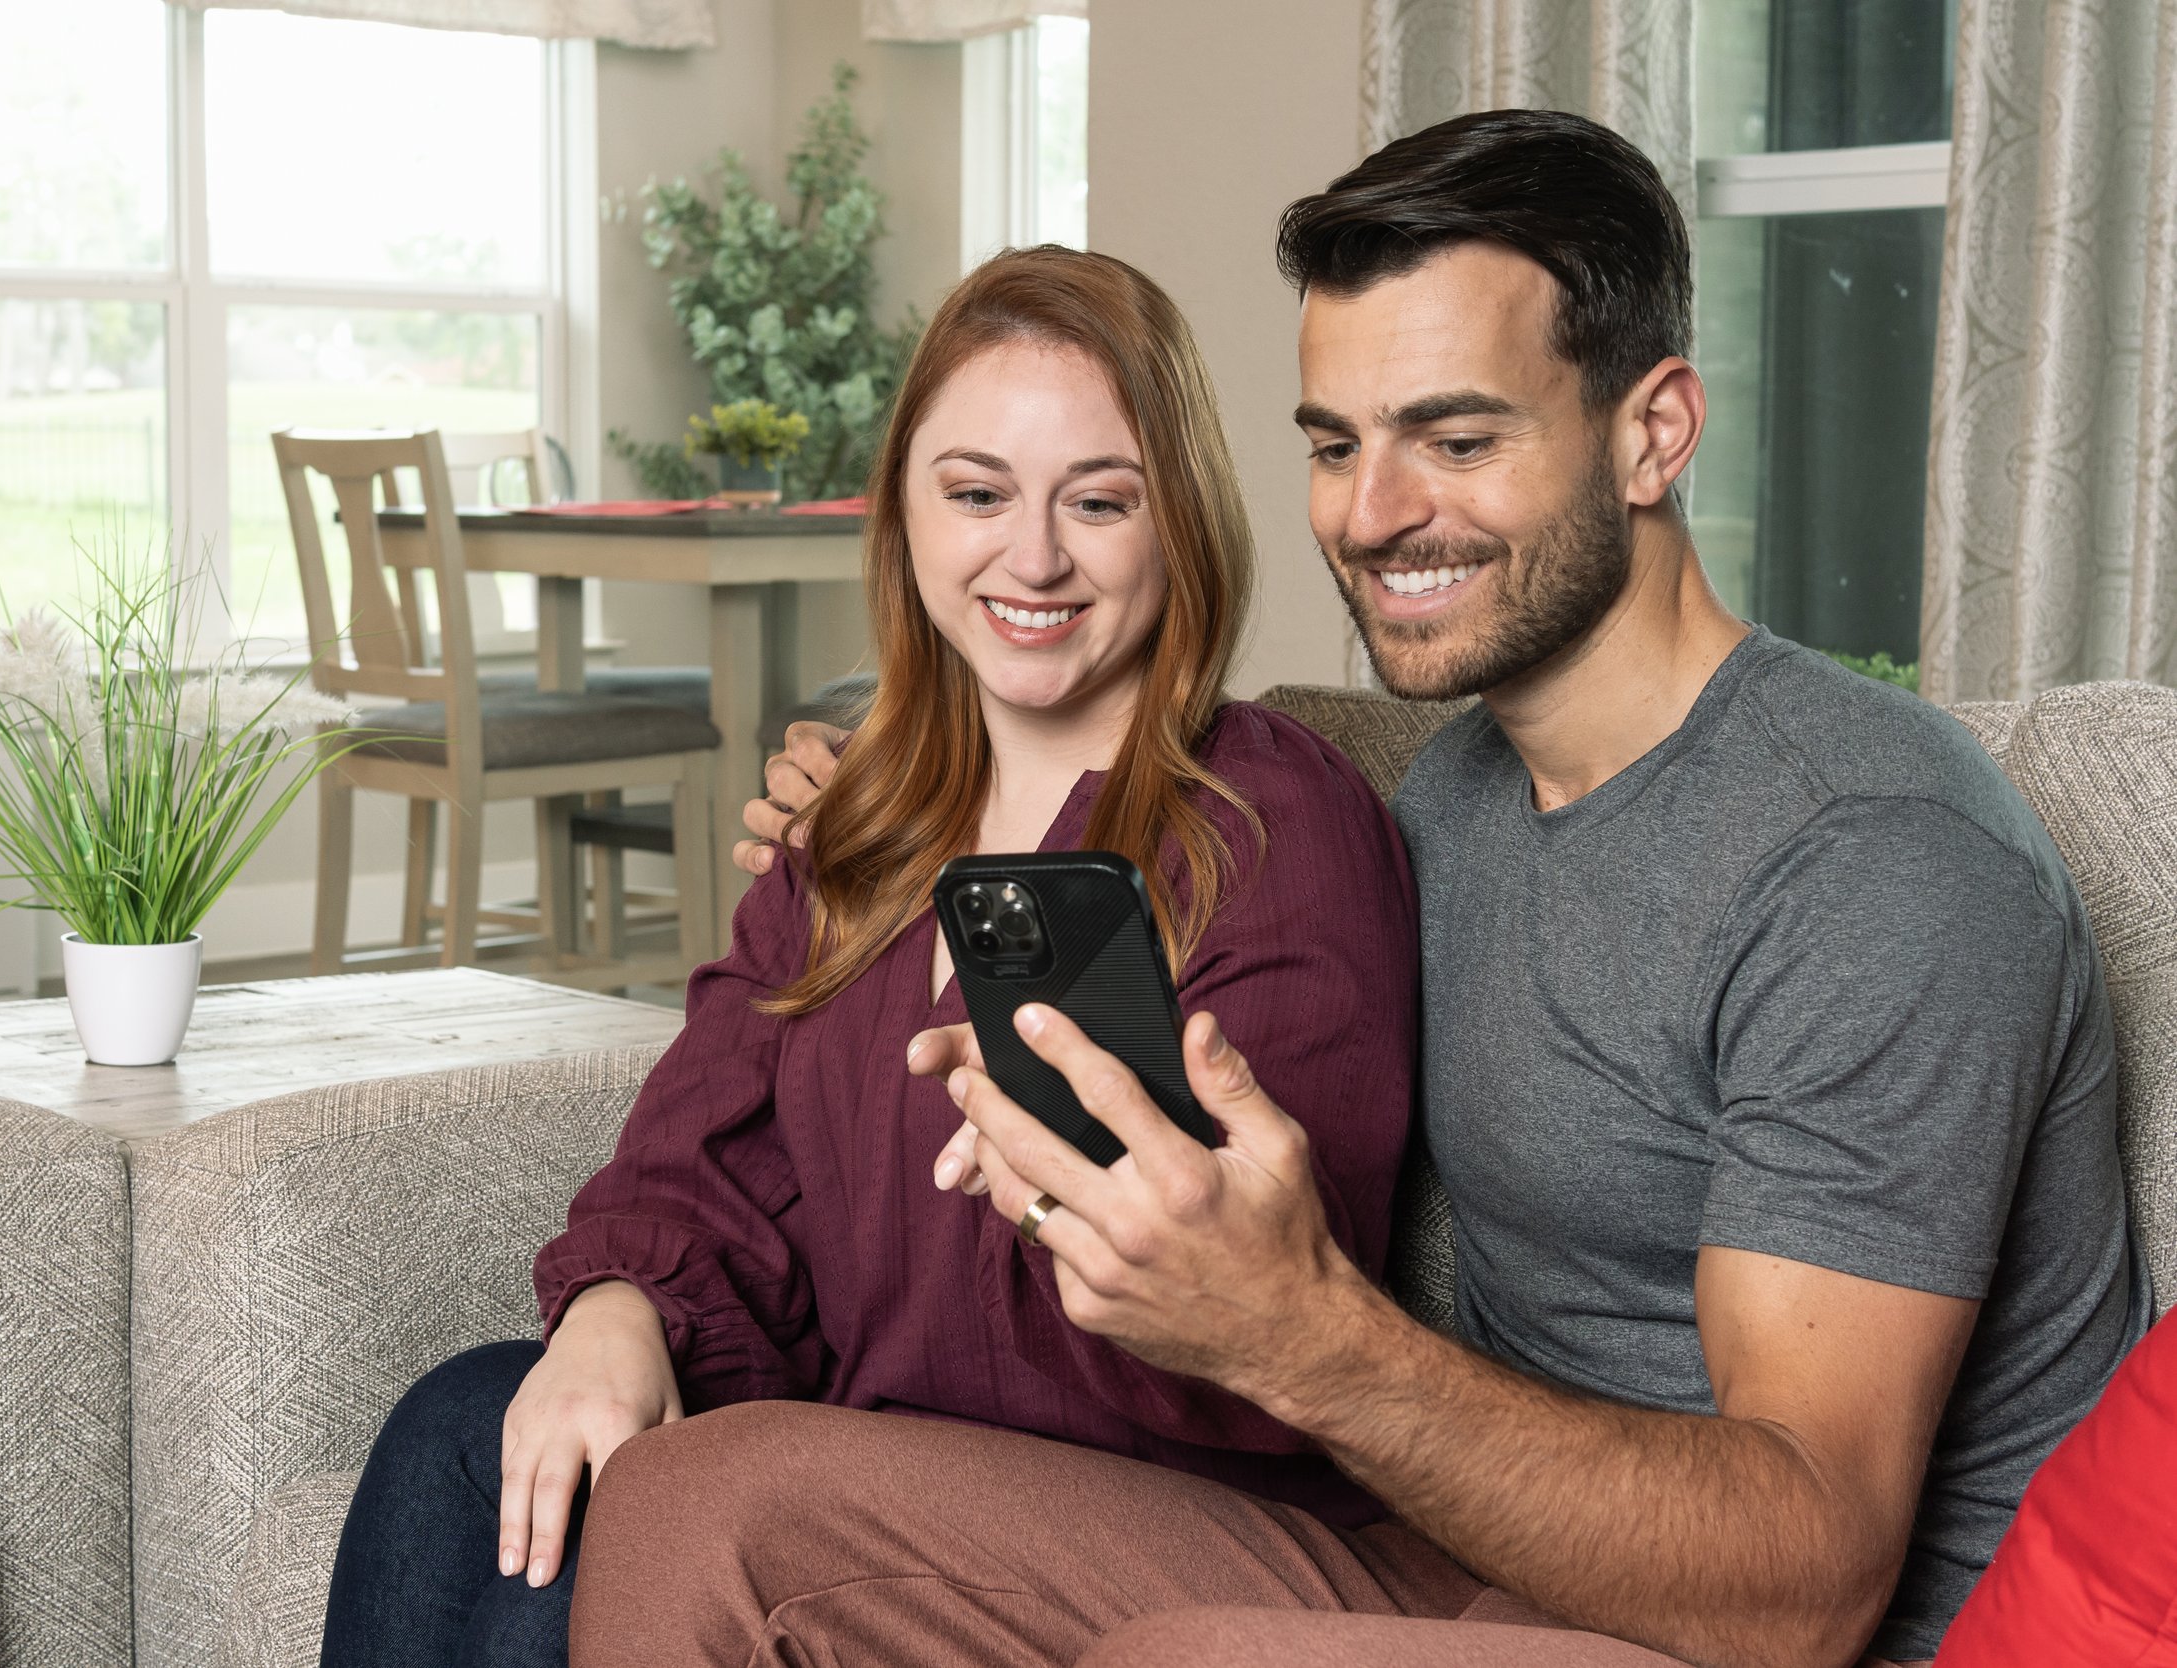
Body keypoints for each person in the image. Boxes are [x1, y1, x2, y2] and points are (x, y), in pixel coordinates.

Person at [575, 110, 2149, 1668]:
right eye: (1337, 445)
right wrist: (876, 794)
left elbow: (1799, 1593)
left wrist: (1301, 1333)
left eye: (1457, 441)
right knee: (700, 1502)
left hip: (1765, 1634)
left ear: (1654, 432)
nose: (1374, 515)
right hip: (1462, 1559)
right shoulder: (1449, 795)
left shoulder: (1873, 855)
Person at [316, 246, 1422, 1668]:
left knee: (660, 1494)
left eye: (1099, 501)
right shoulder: (859, 816)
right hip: (861, 1466)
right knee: (471, 1428)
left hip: (1160, 1510)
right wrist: (615, 1314)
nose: (1034, 558)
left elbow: (1267, 1332)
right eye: (977, 494)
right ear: (903, 510)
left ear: (1182, 523)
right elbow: (695, 1158)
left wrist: (1072, 1199)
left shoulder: (1270, 827)